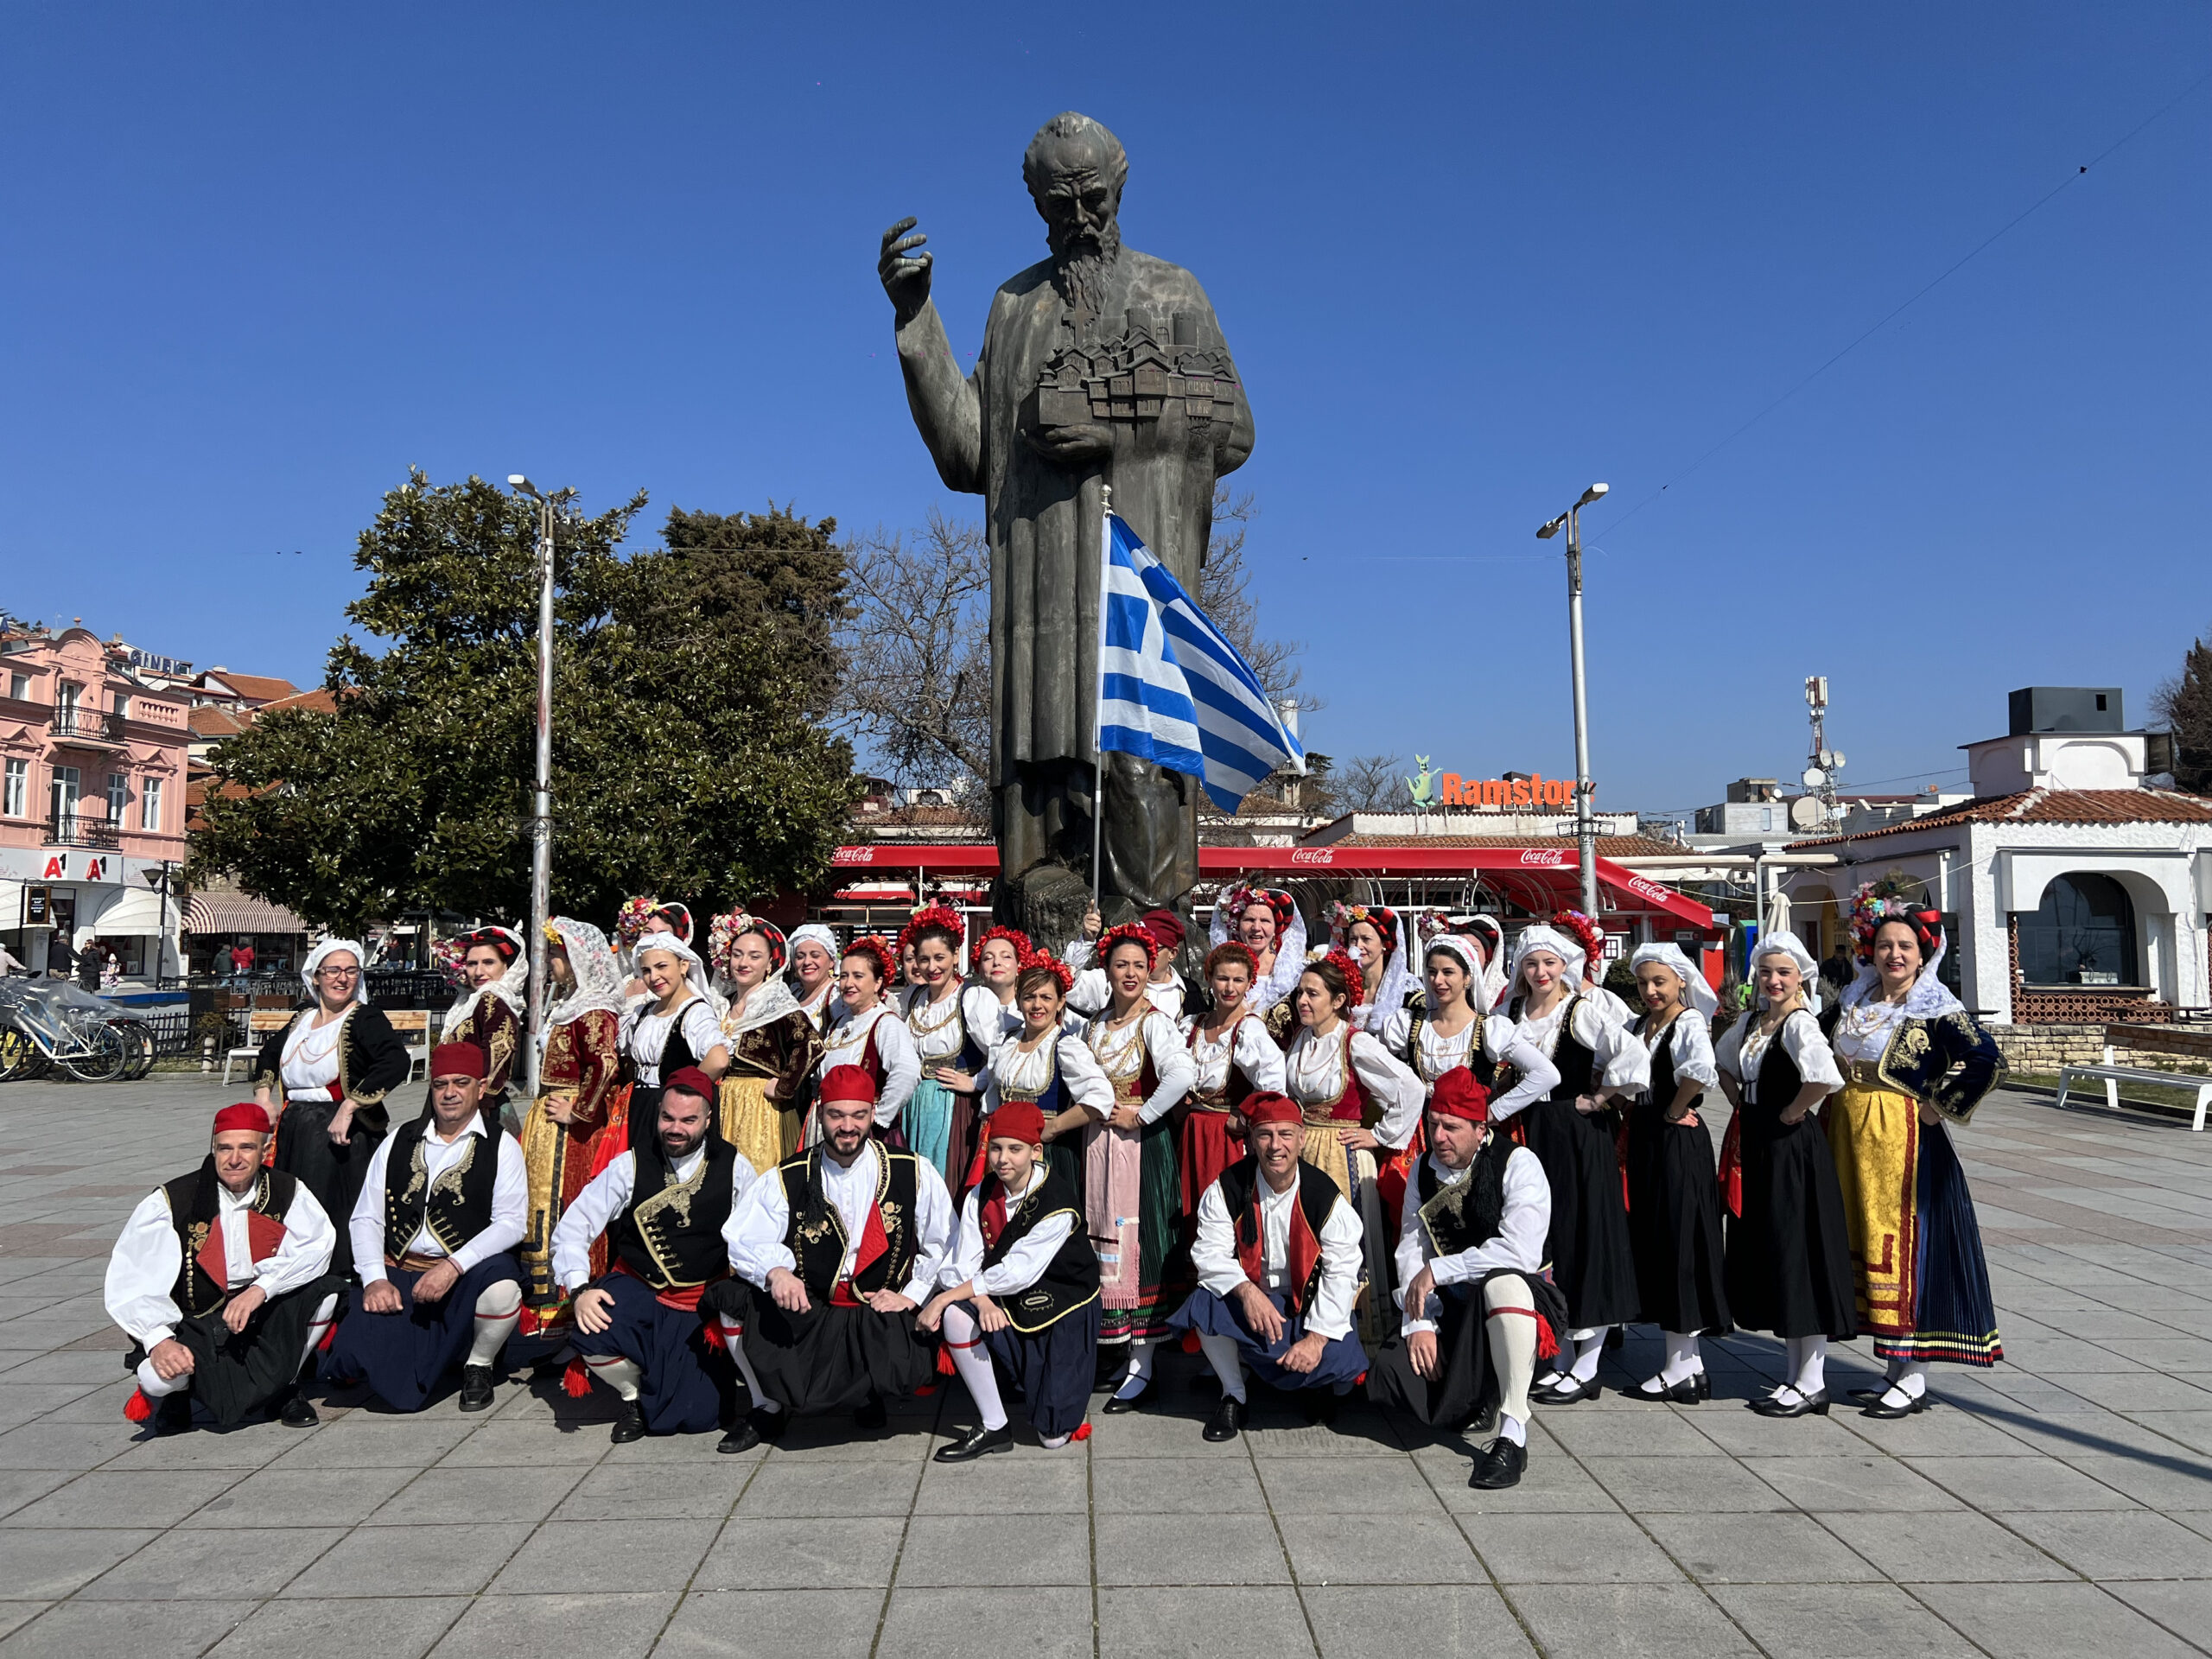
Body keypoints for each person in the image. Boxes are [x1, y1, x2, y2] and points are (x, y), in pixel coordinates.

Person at [1824, 893, 2006, 1417]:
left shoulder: (1934, 1006)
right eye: (1885, 945)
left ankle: (1914, 1375)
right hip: (1846, 1132)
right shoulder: (1856, 998)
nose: (1894, 955)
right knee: (1860, 1235)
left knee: (1905, 1243)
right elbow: (1809, 1037)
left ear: (1923, 954)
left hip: (1903, 1141)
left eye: (1905, 946)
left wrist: (1935, 1108)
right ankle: (1892, 1366)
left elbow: (1988, 1061)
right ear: (1871, 951)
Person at [709, 1065, 955, 1445]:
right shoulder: (789, 1175)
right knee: (731, 1299)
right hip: (812, 1308)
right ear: (820, 1113)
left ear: (873, 1112)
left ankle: (869, 1393)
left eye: (859, 1115)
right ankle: (765, 1408)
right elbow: (742, 1236)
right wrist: (776, 1272)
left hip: (878, 1310)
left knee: (909, 1350)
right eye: (837, 1115)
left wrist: (913, 1294)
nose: (848, 1126)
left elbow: (946, 1242)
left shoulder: (912, 1169)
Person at [1368, 1068, 1565, 1491]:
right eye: (1433, 1124)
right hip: (1454, 1307)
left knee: (1501, 1284)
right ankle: (1477, 1393)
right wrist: (1420, 1322)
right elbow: (1411, 1248)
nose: (1439, 1137)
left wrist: (1439, 1270)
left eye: (1452, 1128)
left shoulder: (1518, 1163)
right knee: (1390, 1375)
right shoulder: (1422, 1169)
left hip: (1522, 1306)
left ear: (1480, 1129)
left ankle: (1513, 1432)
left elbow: (1520, 1253)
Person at [1484, 922, 1649, 1404]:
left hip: (1574, 1135)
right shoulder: (1510, 1011)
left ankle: (1588, 1363)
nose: (1540, 972)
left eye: (1549, 963)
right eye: (1532, 963)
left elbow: (1631, 1053)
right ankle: (1556, 1350)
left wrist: (1600, 1098)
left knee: (1584, 1235)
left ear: (1564, 967)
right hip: (1525, 1131)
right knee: (1543, 1238)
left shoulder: (1580, 1011)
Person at [550, 1068, 759, 1444]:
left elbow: (758, 1238)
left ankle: (666, 1378)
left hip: (699, 1302)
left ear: (708, 1120)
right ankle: (632, 1398)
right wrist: (579, 1289)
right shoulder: (629, 1164)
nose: (675, 1128)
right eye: (668, 1117)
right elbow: (572, 1227)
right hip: (639, 1289)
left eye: (688, 1120)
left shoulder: (735, 1167)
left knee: (701, 1417)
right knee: (592, 1329)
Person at [105, 1103, 340, 1433]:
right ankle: (178, 1395)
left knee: (326, 1294)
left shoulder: (287, 1190)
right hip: (196, 1317)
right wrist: (159, 1341)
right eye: (225, 1148)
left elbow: (317, 1246)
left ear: (266, 1151)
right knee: (156, 1379)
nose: (234, 1159)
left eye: (246, 1148)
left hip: (259, 1307)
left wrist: (262, 1289)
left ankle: (285, 1387)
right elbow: (133, 1279)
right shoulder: (173, 1200)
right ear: (213, 1149)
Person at [325, 1045, 527, 1413]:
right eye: (440, 1084)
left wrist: (453, 1267)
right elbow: (367, 1217)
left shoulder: (502, 1145)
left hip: (464, 1276)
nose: (450, 1093)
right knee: (351, 1361)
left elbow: (511, 1223)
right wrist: (375, 1279)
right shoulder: (399, 1140)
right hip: (400, 1271)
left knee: (503, 1288)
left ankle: (479, 1365)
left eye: (461, 1083)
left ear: (481, 1088)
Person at [1169, 1092, 1370, 1441]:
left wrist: (1316, 1339)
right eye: (1265, 1135)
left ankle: (1316, 1385)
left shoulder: (1323, 1195)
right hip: (1256, 1304)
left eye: (1285, 1134)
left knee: (1338, 1360)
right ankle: (1234, 1394)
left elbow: (1341, 1271)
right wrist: (1247, 1293)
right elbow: (1209, 1254)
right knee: (1205, 1301)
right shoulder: (1228, 1188)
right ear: (1251, 1140)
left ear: (1302, 1138)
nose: (1276, 1146)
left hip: (1307, 1307)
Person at [1716, 930, 1856, 1417]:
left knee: (1799, 1251)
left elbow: (1825, 1077)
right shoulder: (1752, 1022)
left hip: (1790, 1147)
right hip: (1759, 1142)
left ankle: (1812, 1380)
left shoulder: (1799, 1024)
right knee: (1777, 1249)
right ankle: (1795, 1375)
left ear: (1801, 978)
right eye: (1766, 972)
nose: (1773, 980)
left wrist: (1793, 1111)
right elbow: (1721, 1064)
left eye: (1783, 973)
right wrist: (1742, 1102)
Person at [918, 1099, 1102, 1459]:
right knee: (957, 1316)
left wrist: (942, 1297)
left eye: (1015, 1149)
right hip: (1004, 1296)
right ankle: (994, 1425)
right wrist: (981, 1301)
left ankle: (1051, 1392)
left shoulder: (1057, 1201)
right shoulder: (981, 1193)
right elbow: (962, 1262)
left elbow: (1018, 1271)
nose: (1003, 1159)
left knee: (1052, 1437)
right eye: (996, 1148)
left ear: (1036, 1152)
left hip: (1064, 1306)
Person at [1083, 923, 1198, 1411]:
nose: (1130, 973)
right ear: (1107, 971)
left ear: (1151, 970)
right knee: (1104, 1236)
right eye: (1120, 965)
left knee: (1140, 1243)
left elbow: (1183, 1072)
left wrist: (1144, 1113)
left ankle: (1142, 1364)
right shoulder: (1096, 1023)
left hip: (1141, 1147)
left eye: (1138, 965)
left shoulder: (1154, 1022)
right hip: (1099, 1145)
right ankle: (1117, 1351)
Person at [1281, 949, 1424, 1342]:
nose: (1303, 1001)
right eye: (1300, 993)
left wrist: (1378, 1135)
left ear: (1338, 1000)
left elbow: (1410, 1088)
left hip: (1342, 1153)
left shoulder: (1355, 1043)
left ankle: (1355, 1340)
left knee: (1343, 1243)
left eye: (1313, 994)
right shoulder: (1301, 1039)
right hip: (1304, 1151)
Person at [251, 938, 408, 1277]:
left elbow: (395, 1061)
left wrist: (350, 1106)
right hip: (294, 1127)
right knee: (291, 1205)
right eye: (334, 970)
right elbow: (268, 1054)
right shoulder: (301, 1018)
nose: (342, 978)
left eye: (351, 971)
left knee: (329, 1210)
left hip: (338, 1133)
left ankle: (337, 1280)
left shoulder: (364, 1018)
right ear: (317, 976)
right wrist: (264, 1097)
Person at [1622, 944, 1732, 1402]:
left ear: (1681, 981)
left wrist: (1673, 1108)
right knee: (1660, 1238)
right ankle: (1692, 1364)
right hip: (1648, 1137)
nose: (1650, 990)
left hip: (1675, 1139)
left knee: (1679, 1239)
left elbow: (1701, 1070)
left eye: (1659, 981)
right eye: (1643, 982)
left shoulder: (1686, 1023)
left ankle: (1678, 1367)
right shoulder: (1639, 1025)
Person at [518, 918, 628, 1322]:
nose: (549, 962)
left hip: (573, 1129)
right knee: (540, 1197)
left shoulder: (594, 1008)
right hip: (549, 1117)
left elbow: (605, 1064)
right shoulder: (572, 1003)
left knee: (565, 1197)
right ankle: (542, 1293)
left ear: (576, 959)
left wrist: (578, 1110)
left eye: (555, 954)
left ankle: (567, 1296)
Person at [979, 960, 1115, 1194]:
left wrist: (1052, 1127)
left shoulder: (1065, 1045)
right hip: (1003, 1155)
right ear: (1018, 1001)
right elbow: (992, 1099)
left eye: (1046, 997)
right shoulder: (1008, 1042)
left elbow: (1101, 1097)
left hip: (1046, 1155)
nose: (1037, 1005)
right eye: (1029, 997)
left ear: (1061, 1002)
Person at [1177, 942, 1288, 1217]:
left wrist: (1245, 1116)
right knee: (1191, 1209)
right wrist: (1178, 1101)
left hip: (1227, 1137)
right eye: (1222, 978)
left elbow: (1274, 1085)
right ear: (1209, 979)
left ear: (1250, 983)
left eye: (1238, 980)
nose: (1229, 988)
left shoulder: (1249, 1029)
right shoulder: (1193, 1025)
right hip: (1192, 1131)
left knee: (1225, 1209)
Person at [708, 912, 822, 1177]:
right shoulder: (722, 1005)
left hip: (761, 1110)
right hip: (722, 1104)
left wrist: (784, 1086)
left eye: (754, 956)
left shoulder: (777, 1006)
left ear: (770, 963)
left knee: (758, 1178)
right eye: (737, 954)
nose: (743, 963)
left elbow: (812, 1045)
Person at [898, 905, 988, 1184]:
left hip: (953, 1107)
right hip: (913, 1105)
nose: (931, 967)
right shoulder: (911, 998)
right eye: (924, 959)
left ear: (956, 955)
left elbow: (1001, 1050)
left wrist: (975, 1082)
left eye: (939, 957)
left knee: (943, 1181)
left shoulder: (972, 997)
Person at [620, 933, 729, 1150]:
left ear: (683, 966)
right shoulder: (644, 1012)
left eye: (662, 966)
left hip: (672, 1113)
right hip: (640, 1105)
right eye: (646, 970)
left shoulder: (695, 1012)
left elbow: (718, 1060)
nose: (654, 977)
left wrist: (683, 1096)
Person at [814, 937, 920, 1140]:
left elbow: (907, 1072)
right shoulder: (839, 1023)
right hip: (832, 1129)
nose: (848, 983)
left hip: (866, 1134)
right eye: (843, 976)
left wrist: (879, 1119)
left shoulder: (885, 1022)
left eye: (858, 976)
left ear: (877, 983)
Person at [441, 926, 526, 1111]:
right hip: (456, 1098)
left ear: (507, 966)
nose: (479, 971)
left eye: (488, 962)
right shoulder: (469, 1000)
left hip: (475, 1104)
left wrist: (481, 1099)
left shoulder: (494, 1000)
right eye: (472, 964)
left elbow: (496, 1053)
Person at [1208, 886, 1307, 1044]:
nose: (1256, 928)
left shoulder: (1294, 976)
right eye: (1249, 920)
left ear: (1275, 928)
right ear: (1237, 925)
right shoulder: (1222, 974)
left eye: (1265, 921)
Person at [1066, 906, 1194, 1019]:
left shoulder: (1190, 992)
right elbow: (1068, 983)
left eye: (1152, 948)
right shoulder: (1113, 980)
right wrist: (1087, 940)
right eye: (1141, 945)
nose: (1143, 954)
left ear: (1172, 954)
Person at [1334, 902, 1420, 1036]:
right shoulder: (1341, 985)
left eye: (1366, 939)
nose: (1358, 946)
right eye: (1353, 939)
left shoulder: (1405, 989)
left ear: (1384, 944)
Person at [615, 898, 695, 1002]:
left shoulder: (676, 985)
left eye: (663, 933)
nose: (654, 938)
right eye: (648, 931)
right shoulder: (625, 982)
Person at [786, 923, 842, 1033]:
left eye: (815, 955)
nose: (807, 962)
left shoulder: (837, 997)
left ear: (832, 961)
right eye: (800, 957)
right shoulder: (792, 994)